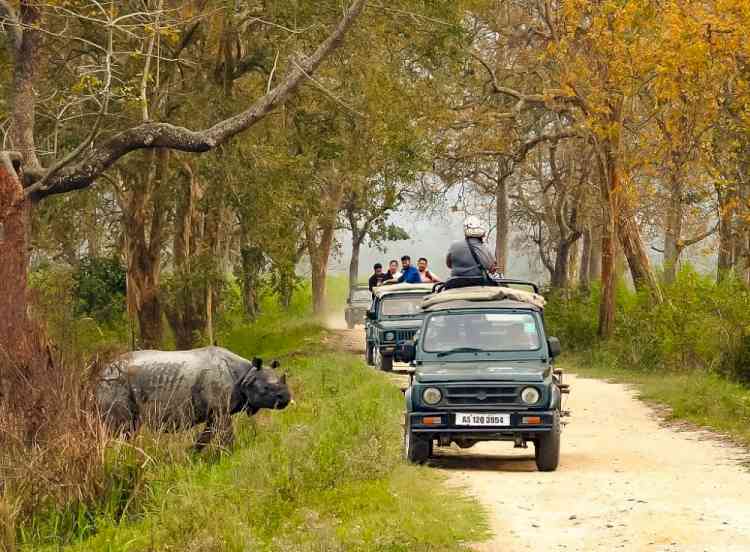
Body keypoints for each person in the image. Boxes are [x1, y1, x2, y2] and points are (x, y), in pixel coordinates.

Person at [445, 216, 503, 288]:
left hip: (456, 283)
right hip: (479, 282)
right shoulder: (485, 248)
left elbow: (449, 264)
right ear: (482, 233)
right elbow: (491, 268)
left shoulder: (454, 245)